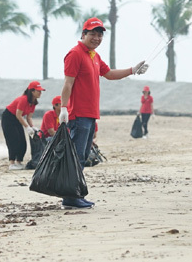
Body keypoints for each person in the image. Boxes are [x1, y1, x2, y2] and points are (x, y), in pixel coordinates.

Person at [59, 17, 148, 209]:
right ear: (83, 34)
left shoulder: (94, 56)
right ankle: (70, 197)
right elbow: (68, 83)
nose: (97, 38)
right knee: (77, 157)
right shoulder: (75, 54)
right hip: (78, 114)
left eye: (100, 35)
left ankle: (75, 194)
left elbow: (109, 74)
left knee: (83, 156)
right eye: (93, 34)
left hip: (90, 115)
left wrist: (133, 70)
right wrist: (64, 108)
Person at [1, 81, 44, 170]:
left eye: (41, 91)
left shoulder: (34, 102)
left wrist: (32, 127)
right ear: (32, 91)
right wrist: (27, 127)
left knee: (22, 142)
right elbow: (18, 114)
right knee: (14, 140)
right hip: (8, 118)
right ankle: (12, 163)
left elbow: (29, 117)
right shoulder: (23, 99)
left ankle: (19, 162)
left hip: (17, 119)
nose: (40, 93)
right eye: (38, 91)